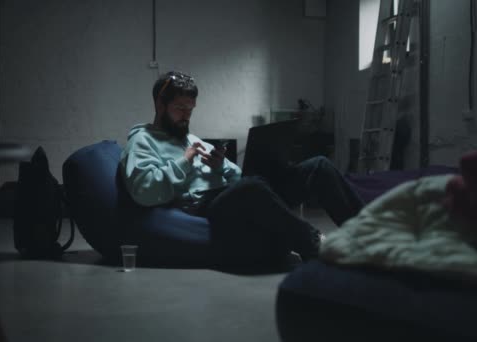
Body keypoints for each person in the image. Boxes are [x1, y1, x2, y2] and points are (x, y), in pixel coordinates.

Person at [119, 71, 364, 266]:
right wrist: (184, 162)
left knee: (317, 166)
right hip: (208, 208)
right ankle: (314, 245)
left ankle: (371, 234)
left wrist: (220, 168)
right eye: (180, 109)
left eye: (190, 110)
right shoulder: (143, 140)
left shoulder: (192, 139)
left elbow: (237, 176)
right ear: (160, 106)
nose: (186, 116)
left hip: (241, 193)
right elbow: (144, 191)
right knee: (251, 187)